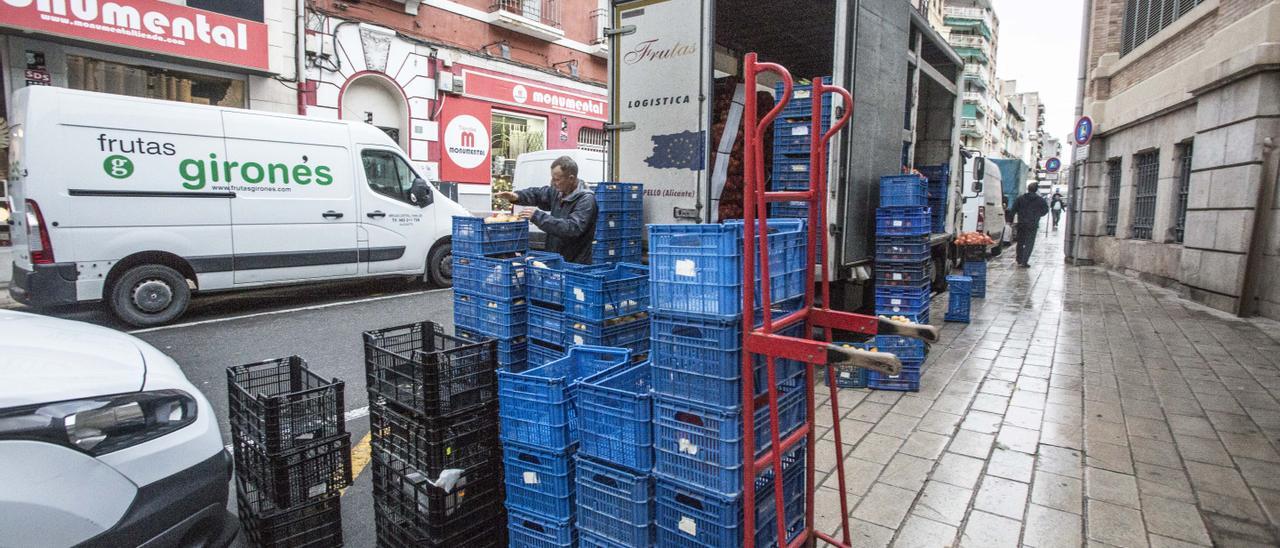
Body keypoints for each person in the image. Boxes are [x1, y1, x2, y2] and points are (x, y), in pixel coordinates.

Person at [496, 156, 599, 264]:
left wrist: (537, 216)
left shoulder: (586, 200)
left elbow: (572, 228)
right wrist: (516, 196)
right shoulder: (558, 192)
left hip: (575, 264)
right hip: (554, 259)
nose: (553, 183)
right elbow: (538, 194)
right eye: (552, 178)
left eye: (557, 179)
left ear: (571, 178)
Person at [1011, 182, 1050, 267]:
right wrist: (1038, 215)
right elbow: (1045, 209)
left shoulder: (1020, 198)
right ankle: (1024, 261)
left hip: (1021, 224)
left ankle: (1019, 259)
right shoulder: (1040, 200)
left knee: (1020, 242)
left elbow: (1013, 209)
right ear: (1036, 190)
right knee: (1029, 243)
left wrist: (1012, 220)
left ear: (1028, 189)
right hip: (1032, 224)